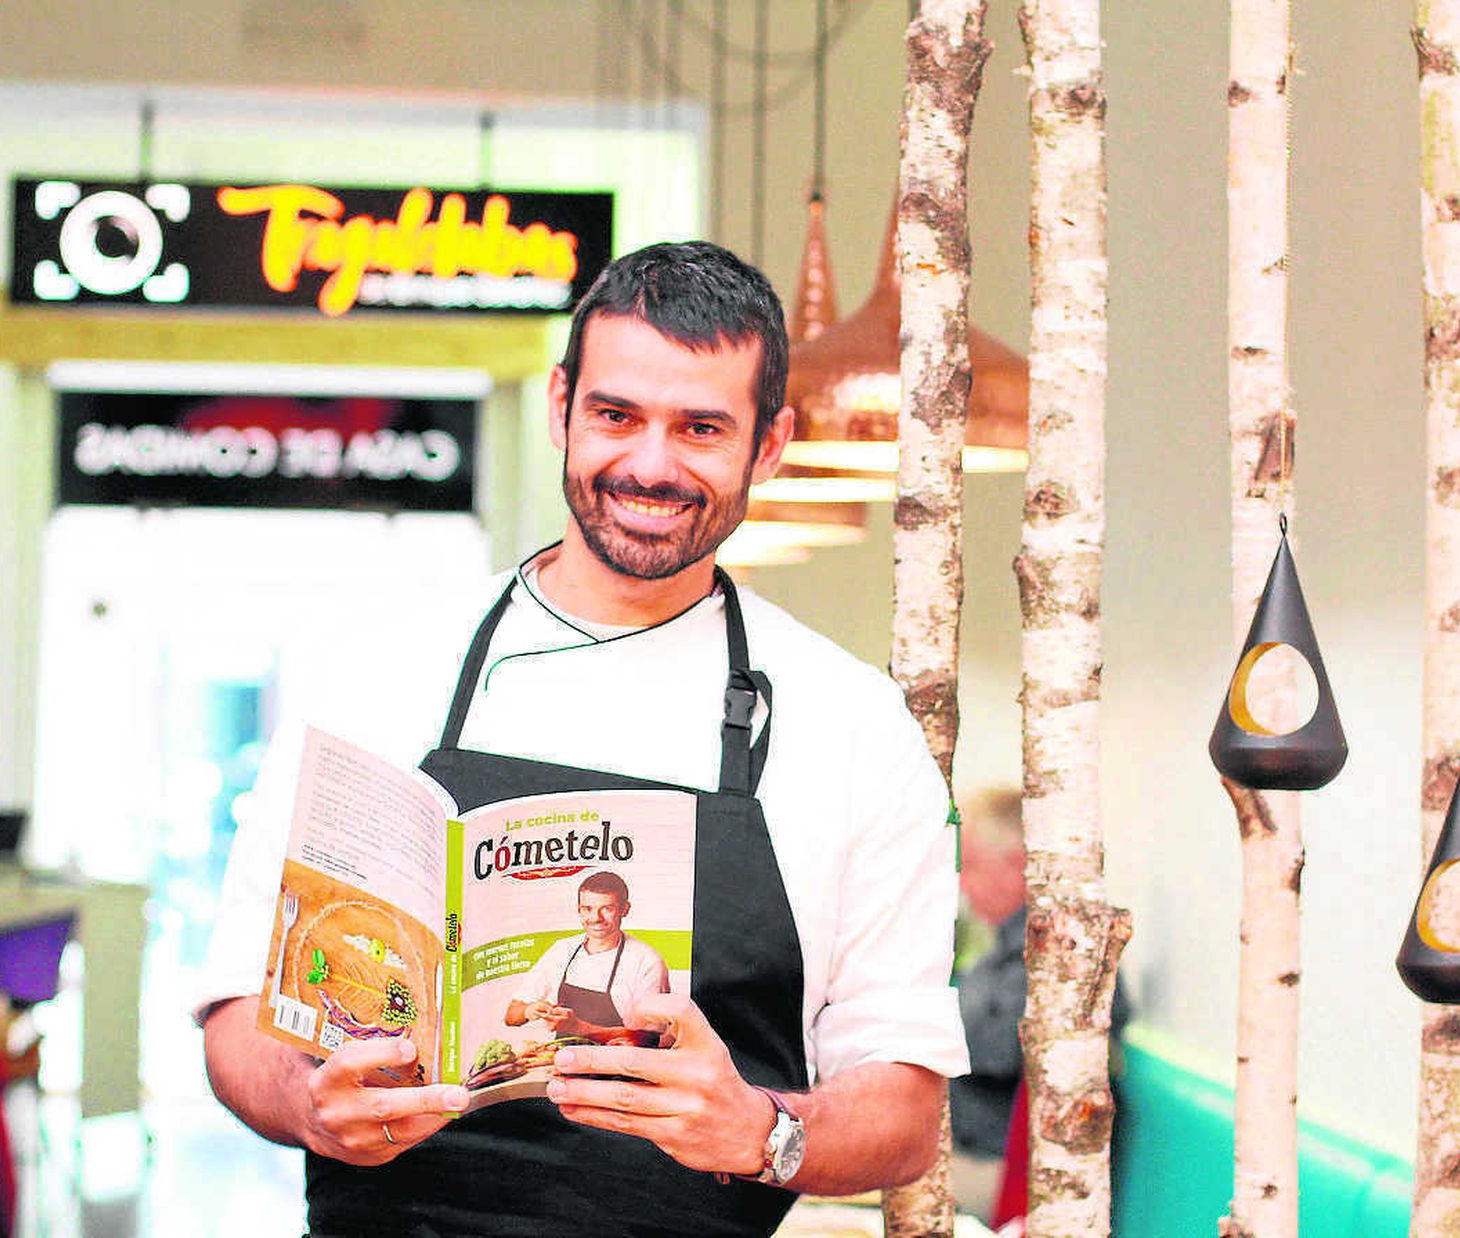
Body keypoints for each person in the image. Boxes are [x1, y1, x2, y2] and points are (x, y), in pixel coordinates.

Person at [196, 240, 968, 1237]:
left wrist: (756, 1129)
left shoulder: (852, 725)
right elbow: (236, 1018)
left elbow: (904, 1111)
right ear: (560, 404)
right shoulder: (375, 675)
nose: (649, 464)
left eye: (700, 426)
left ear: (769, 444)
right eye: (616, 414)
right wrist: (309, 1106)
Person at [950, 788, 1027, 1161]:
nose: (963, 884)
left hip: (994, 1165)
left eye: (973, 865)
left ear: (1021, 863)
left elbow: (1003, 1051)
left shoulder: (1056, 956)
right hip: (963, 1149)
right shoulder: (999, 946)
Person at [504, 870, 669, 1035]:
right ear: (579, 909)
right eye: (587, 908)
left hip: (619, 1060)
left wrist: (579, 1028)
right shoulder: (562, 950)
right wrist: (528, 1010)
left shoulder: (646, 961)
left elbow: (650, 1039)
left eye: (607, 908)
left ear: (625, 909)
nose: (596, 918)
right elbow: (511, 1015)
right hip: (565, 1057)